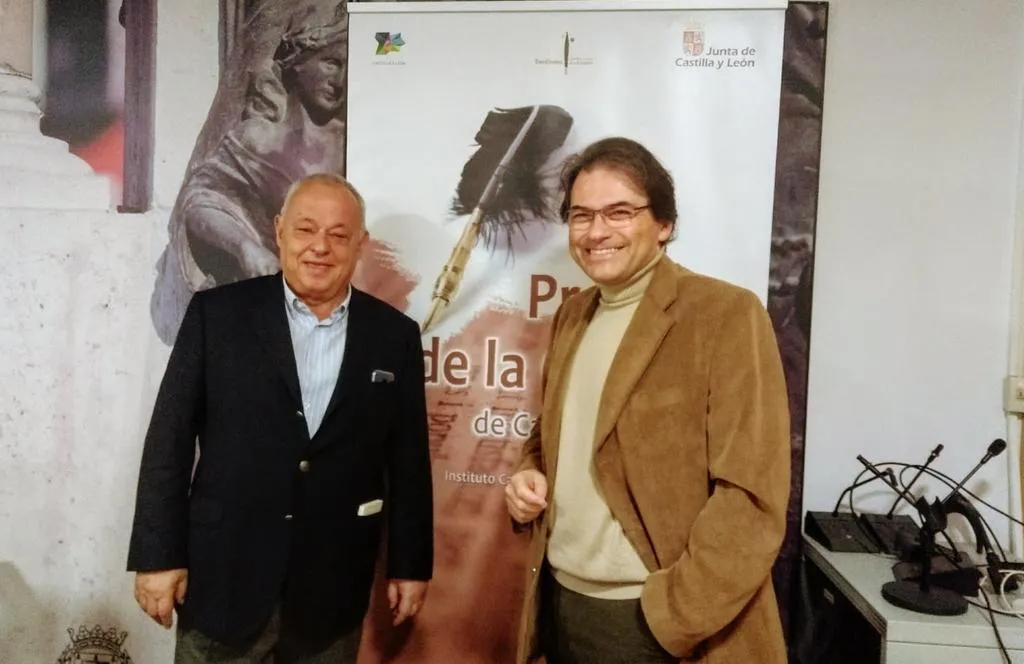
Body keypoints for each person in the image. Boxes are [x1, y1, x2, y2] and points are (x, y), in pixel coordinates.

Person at [504, 137, 790, 664]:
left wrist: (671, 617)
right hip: (562, 604)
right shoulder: (573, 316)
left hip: (653, 623)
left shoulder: (724, 314)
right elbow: (550, 439)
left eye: (619, 212)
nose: (596, 232)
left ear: (664, 224)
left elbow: (752, 496)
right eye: (581, 215)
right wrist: (529, 473)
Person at [129, 173, 433, 663]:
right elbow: (170, 440)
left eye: (338, 235)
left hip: (331, 595)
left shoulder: (394, 335)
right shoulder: (217, 315)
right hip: (223, 582)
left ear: (360, 244)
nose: (320, 247)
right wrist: (157, 556)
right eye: (305, 229)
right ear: (279, 231)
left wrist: (411, 565)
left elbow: (409, 460)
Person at [151, 0, 349, 345]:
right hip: (260, 316)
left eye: (348, 67)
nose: (340, 80)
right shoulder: (255, 139)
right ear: (298, 61)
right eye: (331, 62)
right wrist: (245, 247)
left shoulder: (351, 146)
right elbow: (201, 202)